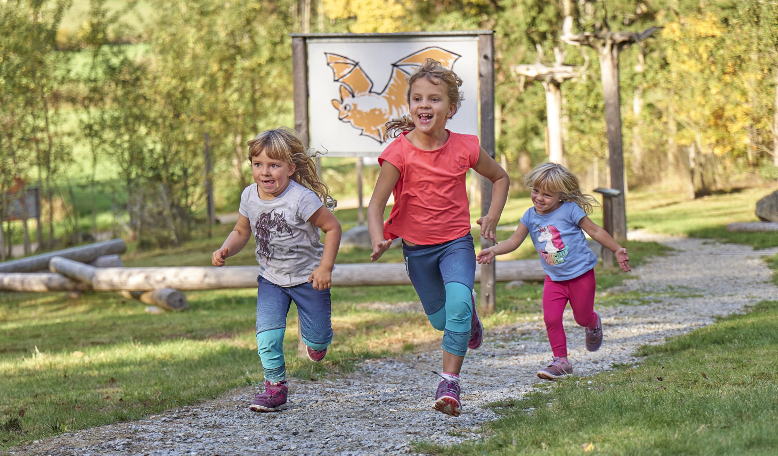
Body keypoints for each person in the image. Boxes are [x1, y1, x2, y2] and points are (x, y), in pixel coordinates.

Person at [367, 59, 509, 417]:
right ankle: (469, 320)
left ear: (451, 108)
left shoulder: (465, 147)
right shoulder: (397, 153)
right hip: (416, 251)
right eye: (417, 99)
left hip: (456, 243)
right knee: (442, 320)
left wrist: (491, 215)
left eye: (434, 99)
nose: (424, 105)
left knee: (458, 306)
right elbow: (375, 206)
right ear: (410, 105)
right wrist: (377, 238)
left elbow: (501, 178)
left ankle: (450, 382)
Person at [211, 127, 342, 412]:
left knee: (318, 338)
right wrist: (226, 249)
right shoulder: (249, 196)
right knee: (267, 337)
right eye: (258, 164)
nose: (265, 172)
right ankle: (275, 388)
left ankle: (317, 341)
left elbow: (332, 227)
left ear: (291, 168)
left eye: (274, 165)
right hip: (271, 279)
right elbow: (241, 231)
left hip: (309, 278)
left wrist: (325, 267)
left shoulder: (301, 198)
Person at [477, 162, 631, 380]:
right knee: (551, 318)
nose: (539, 198)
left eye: (547, 194)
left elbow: (595, 230)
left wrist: (616, 249)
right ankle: (561, 361)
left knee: (582, 317)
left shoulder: (570, 210)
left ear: (561, 196)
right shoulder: (530, 216)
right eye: (535, 191)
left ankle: (593, 323)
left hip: (581, 276)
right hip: (555, 279)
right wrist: (494, 250)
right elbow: (514, 241)